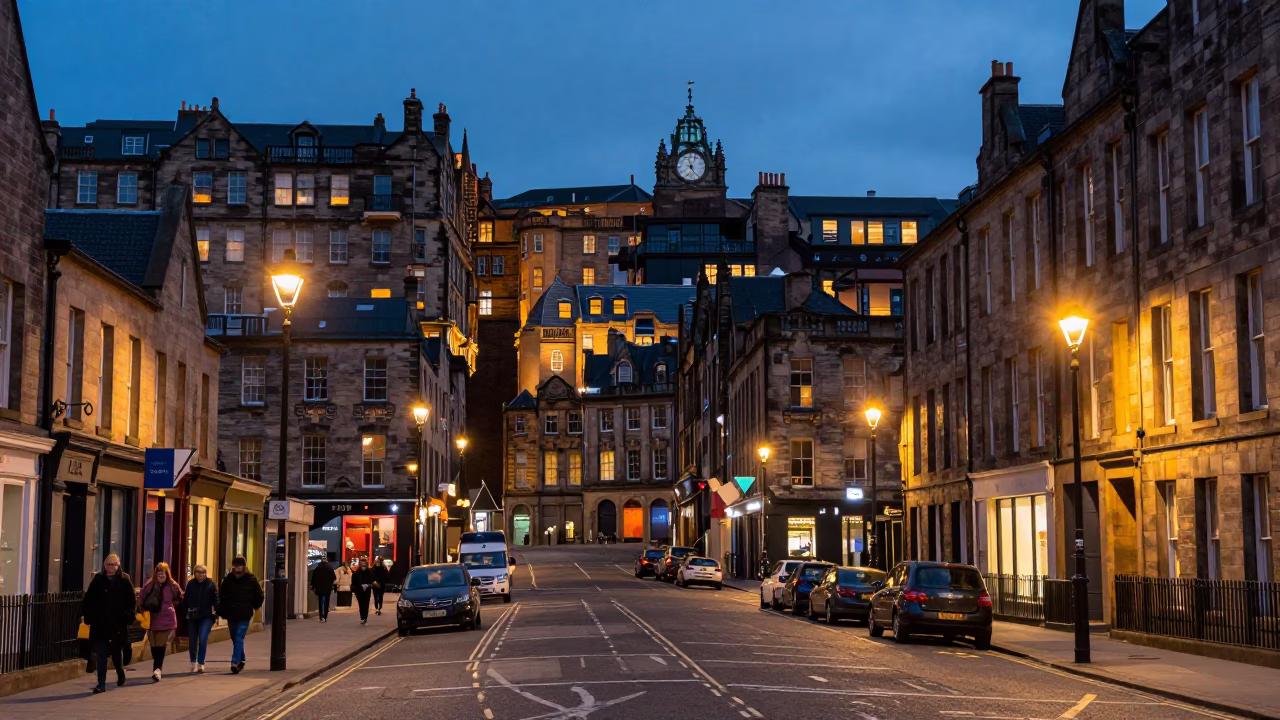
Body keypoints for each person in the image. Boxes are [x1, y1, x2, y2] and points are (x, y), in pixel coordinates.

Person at [81, 553, 136, 693]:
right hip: (100, 623)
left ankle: (119, 670)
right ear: (104, 565)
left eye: (113, 565)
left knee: (116, 652)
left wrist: (127, 616)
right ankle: (101, 684)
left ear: (118, 566)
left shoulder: (124, 580)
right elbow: (88, 599)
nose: (110, 567)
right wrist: (88, 615)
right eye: (108, 564)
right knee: (101, 653)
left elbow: (131, 602)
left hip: (117, 624)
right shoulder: (98, 579)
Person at [138, 562, 183, 682]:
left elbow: (180, 597)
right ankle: (157, 667)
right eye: (158, 573)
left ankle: (157, 669)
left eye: (163, 573)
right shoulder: (149, 585)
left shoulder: (172, 585)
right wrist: (143, 612)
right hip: (152, 619)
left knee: (161, 644)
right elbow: (141, 599)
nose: (161, 575)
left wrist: (169, 607)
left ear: (167, 574)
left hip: (167, 619)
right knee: (154, 645)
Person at [219, 556, 264, 674]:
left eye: (240, 566)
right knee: (235, 637)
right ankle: (242, 658)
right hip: (231, 612)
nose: (237, 568)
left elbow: (259, 595)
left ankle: (234, 662)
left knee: (239, 636)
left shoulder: (251, 579)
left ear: (244, 566)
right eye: (235, 566)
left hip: (244, 613)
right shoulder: (228, 579)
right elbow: (221, 595)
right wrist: (222, 609)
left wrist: (254, 606)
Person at [183, 564, 218, 673]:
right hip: (192, 616)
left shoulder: (210, 584)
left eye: (203, 572)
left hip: (206, 616)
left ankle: (201, 663)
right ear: (195, 573)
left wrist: (216, 613)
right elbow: (186, 599)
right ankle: (193, 662)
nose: (201, 574)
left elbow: (216, 599)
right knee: (192, 641)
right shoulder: (191, 584)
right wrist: (186, 611)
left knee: (202, 639)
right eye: (198, 572)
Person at [351, 557, 374, 625]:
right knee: (361, 604)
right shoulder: (357, 572)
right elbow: (354, 581)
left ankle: (365, 618)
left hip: (367, 590)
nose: (363, 565)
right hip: (359, 590)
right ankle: (362, 617)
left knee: (366, 604)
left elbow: (372, 579)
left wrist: (368, 585)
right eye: (362, 563)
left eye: (364, 563)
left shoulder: (369, 571)